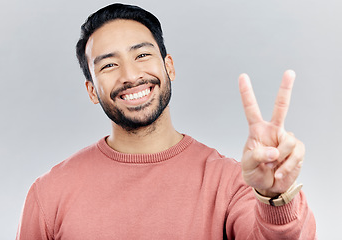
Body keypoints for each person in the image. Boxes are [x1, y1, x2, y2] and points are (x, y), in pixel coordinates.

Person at [16, 3, 316, 239]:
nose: (131, 75)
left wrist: (276, 198)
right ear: (92, 91)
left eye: (142, 55)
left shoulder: (232, 183)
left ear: (168, 66)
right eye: (109, 64)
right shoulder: (49, 193)